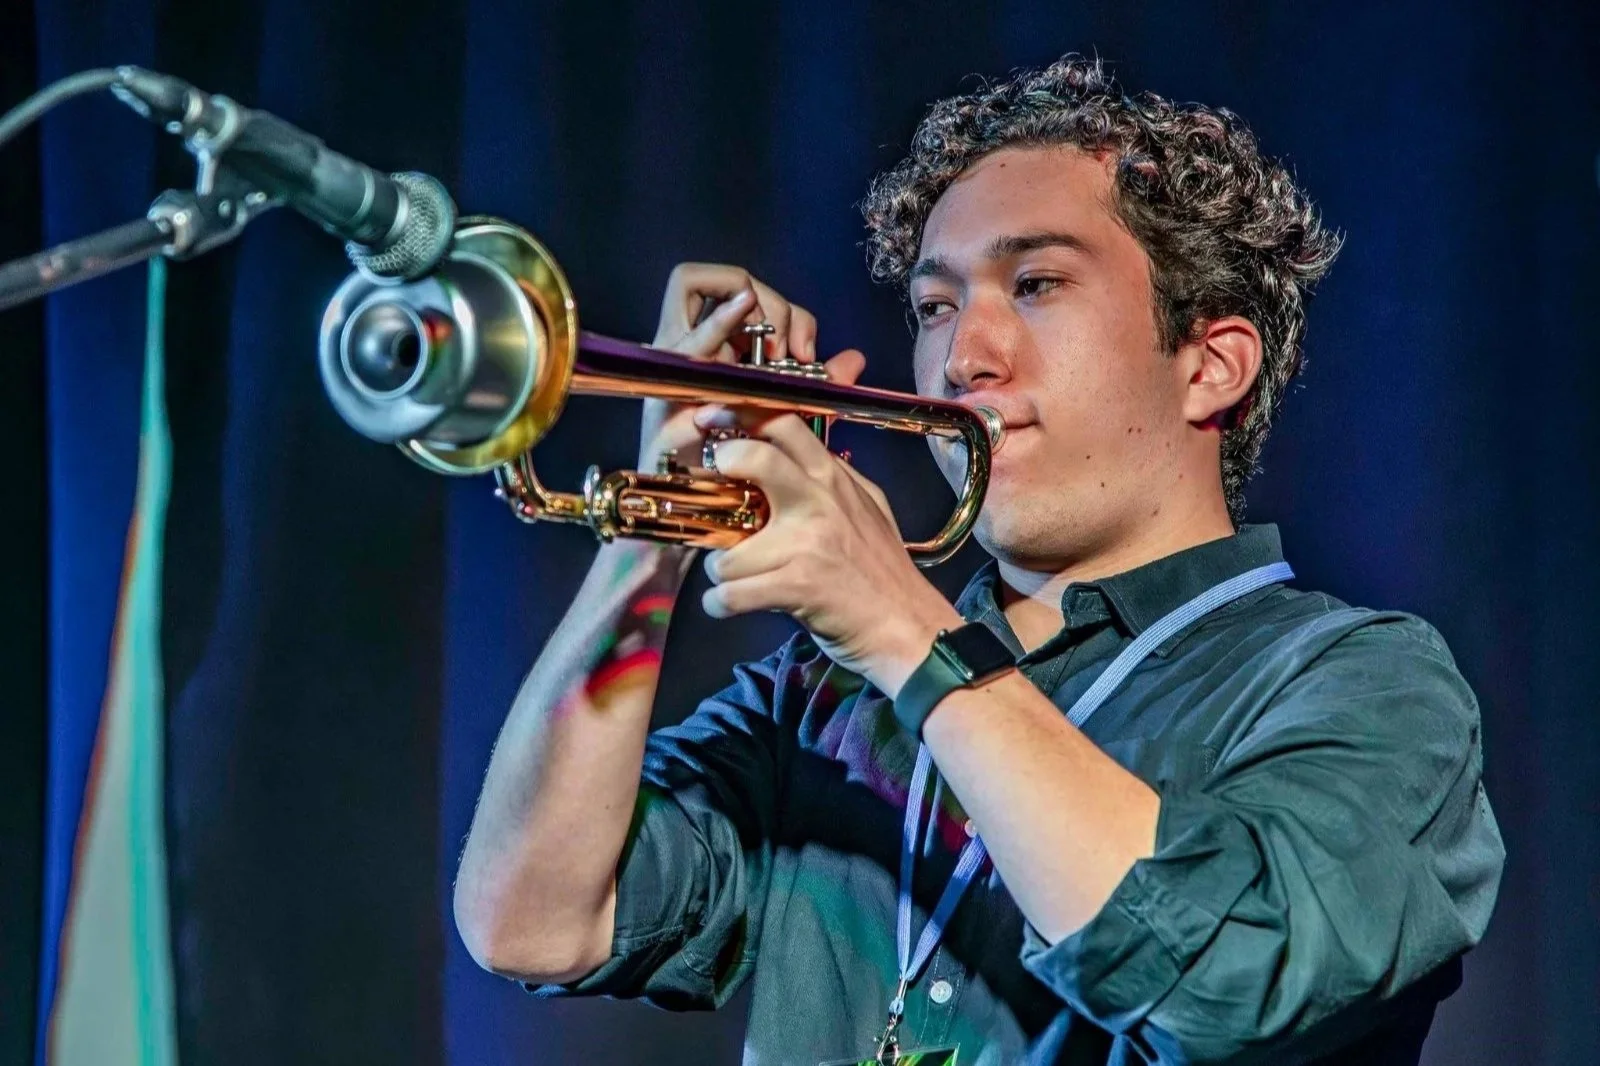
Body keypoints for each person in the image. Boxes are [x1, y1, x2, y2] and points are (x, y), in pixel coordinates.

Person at [452, 55, 1504, 1065]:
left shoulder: (1361, 682)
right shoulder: (820, 702)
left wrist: (908, 632)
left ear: (1209, 365)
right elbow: (530, 921)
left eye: (1036, 283)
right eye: (934, 305)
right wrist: (653, 537)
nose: (962, 357)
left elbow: (1233, 976)